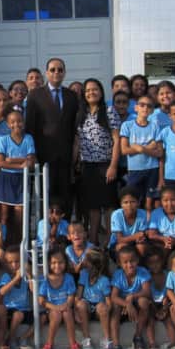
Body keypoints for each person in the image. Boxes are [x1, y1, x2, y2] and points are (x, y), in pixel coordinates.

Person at [25, 57, 80, 208]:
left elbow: (75, 126)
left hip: (66, 156)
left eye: (60, 70)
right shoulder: (35, 95)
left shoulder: (71, 96)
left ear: (64, 73)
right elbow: (30, 127)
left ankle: (65, 229)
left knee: (65, 197)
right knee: (44, 197)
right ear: (47, 73)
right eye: (53, 70)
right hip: (43, 156)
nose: (56, 72)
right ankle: (45, 230)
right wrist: (33, 154)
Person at [74, 78, 119, 244]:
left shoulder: (109, 111)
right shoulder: (81, 113)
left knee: (108, 206)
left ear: (101, 92)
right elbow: (78, 141)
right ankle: (93, 241)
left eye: (95, 89)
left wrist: (113, 165)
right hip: (88, 166)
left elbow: (117, 140)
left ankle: (110, 242)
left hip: (105, 164)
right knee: (92, 207)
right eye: (87, 91)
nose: (91, 93)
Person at [0, 105, 37, 242]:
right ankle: (3, 243)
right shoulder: (3, 140)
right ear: (8, 124)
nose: (16, 124)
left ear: (23, 123)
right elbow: (0, 163)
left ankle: (20, 244)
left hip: (22, 180)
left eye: (19, 121)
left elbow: (31, 161)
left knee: (20, 216)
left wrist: (11, 160)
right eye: (12, 122)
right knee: (4, 216)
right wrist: (21, 162)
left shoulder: (28, 138)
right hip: (6, 179)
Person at [119, 94, 163, 211]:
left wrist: (141, 149)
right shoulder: (127, 126)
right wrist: (149, 147)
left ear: (152, 110)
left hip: (152, 169)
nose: (145, 108)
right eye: (142, 105)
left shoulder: (154, 127)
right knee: (133, 203)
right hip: (135, 170)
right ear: (136, 107)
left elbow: (159, 153)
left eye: (149, 106)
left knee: (149, 205)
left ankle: (149, 229)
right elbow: (124, 150)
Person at [109, 246, 153, 349]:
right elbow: (114, 296)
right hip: (123, 306)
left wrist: (132, 297)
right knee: (115, 308)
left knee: (144, 302)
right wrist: (127, 304)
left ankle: (137, 337)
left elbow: (147, 291)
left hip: (136, 304)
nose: (129, 265)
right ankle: (116, 345)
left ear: (137, 260)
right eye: (125, 262)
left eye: (132, 261)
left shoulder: (142, 272)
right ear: (119, 263)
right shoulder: (118, 274)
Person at [38, 249, 80, 349]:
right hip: (52, 310)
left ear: (65, 263)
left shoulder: (68, 278)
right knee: (56, 315)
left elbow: (71, 296)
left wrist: (66, 305)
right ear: (48, 264)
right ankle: (49, 343)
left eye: (60, 262)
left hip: (66, 307)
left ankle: (73, 344)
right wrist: (55, 307)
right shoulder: (45, 279)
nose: (57, 265)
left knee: (67, 313)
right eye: (53, 263)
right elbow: (41, 300)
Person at [74, 247, 112, 349]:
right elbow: (79, 295)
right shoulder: (84, 274)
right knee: (81, 304)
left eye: (86, 260)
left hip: (98, 310)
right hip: (87, 307)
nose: (83, 262)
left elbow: (108, 302)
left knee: (102, 307)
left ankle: (107, 339)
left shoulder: (104, 280)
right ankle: (86, 338)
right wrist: (75, 311)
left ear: (93, 265)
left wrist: (105, 312)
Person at [0, 245, 34, 349]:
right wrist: (16, 278)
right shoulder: (6, 276)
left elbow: (34, 291)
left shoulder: (26, 276)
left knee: (42, 318)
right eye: (10, 262)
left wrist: (29, 277)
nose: (14, 265)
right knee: (18, 315)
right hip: (11, 309)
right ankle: (11, 338)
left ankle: (24, 338)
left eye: (17, 261)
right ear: (6, 264)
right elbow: (2, 292)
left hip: (26, 309)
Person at [109, 186, 148, 259]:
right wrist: (136, 236)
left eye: (133, 202)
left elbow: (141, 235)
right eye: (125, 202)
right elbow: (120, 239)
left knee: (141, 247)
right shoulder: (116, 215)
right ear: (121, 204)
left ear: (138, 203)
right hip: (117, 244)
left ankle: (138, 267)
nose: (129, 205)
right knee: (122, 248)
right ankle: (121, 268)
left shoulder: (143, 214)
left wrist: (140, 237)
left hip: (135, 242)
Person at [147, 185, 175, 251]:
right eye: (165, 200)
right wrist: (164, 239)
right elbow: (151, 234)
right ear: (161, 201)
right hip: (162, 243)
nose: (169, 204)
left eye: (173, 200)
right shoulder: (156, 213)